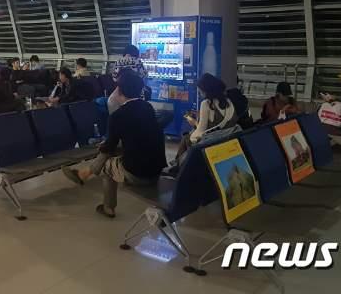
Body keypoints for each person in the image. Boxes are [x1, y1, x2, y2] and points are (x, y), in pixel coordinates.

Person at [62, 70, 166, 217]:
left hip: (138, 174)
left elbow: (109, 146)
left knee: (107, 164)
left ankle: (108, 207)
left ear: (119, 90)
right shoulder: (147, 107)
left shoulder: (118, 115)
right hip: (156, 171)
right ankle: (83, 174)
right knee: (112, 150)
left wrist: (103, 146)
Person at [174, 73, 239, 163]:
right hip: (227, 140)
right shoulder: (229, 101)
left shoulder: (206, 103)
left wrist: (193, 122)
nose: (200, 94)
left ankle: (178, 166)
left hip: (212, 143)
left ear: (207, 90)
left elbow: (200, 133)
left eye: (200, 92)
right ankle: (177, 165)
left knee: (186, 137)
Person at [108, 45, 148, 114]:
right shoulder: (138, 61)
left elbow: (114, 78)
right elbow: (144, 76)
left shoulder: (118, 61)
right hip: (137, 92)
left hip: (121, 93)